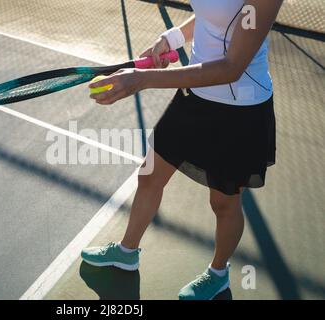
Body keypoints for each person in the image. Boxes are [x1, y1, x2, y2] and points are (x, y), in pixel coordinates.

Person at [81, 0, 283, 300]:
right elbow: (211, 14)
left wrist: (143, 78)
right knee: (149, 176)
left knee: (224, 203)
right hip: (194, 96)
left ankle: (218, 274)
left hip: (240, 112)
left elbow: (231, 68)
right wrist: (172, 37)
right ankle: (127, 252)